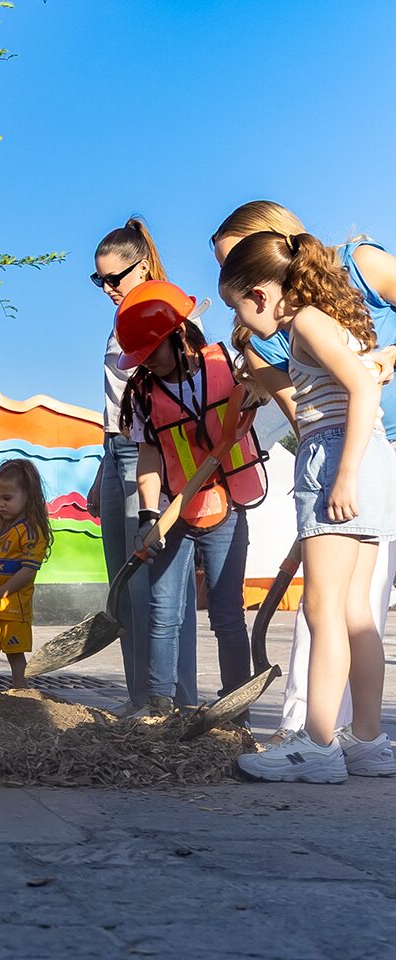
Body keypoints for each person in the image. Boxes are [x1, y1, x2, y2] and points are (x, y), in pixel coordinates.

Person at [212, 201, 396, 745]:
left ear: (262, 292)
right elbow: (310, 408)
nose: (242, 325)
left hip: (342, 459)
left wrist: (342, 477)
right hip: (363, 455)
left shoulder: (309, 323)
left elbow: (360, 392)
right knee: (357, 611)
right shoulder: (331, 317)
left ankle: (315, 744)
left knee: (322, 608)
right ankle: (366, 741)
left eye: (240, 306)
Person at [116, 281, 265, 717]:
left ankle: (236, 708)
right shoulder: (145, 392)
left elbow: (274, 384)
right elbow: (149, 457)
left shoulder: (229, 367)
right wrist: (148, 514)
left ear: (177, 335)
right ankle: (158, 705)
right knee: (164, 611)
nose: (146, 365)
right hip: (174, 510)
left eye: (151, 353)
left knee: (226, 613)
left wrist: (259, 385)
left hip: (228, 505)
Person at [85, 219, 193, 716]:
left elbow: (181, 396)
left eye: (116, 278)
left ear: (143, 267)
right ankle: (140, 699)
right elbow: (116, 403)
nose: (108, 289)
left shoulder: (168, 309)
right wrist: (100, 467)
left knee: (157, 586)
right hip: (115, 449)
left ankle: (171, 699)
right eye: (99, 281)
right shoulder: (118, 318)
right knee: (125, 585)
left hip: (150, 454)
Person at [0, 459, 52, 692]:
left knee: (15, 657)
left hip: (13, 609)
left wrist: (0, 593)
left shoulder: (31, 531)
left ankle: (22, 697)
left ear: (28, 496)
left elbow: (28, 571)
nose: (0, 504)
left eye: (7, 498)